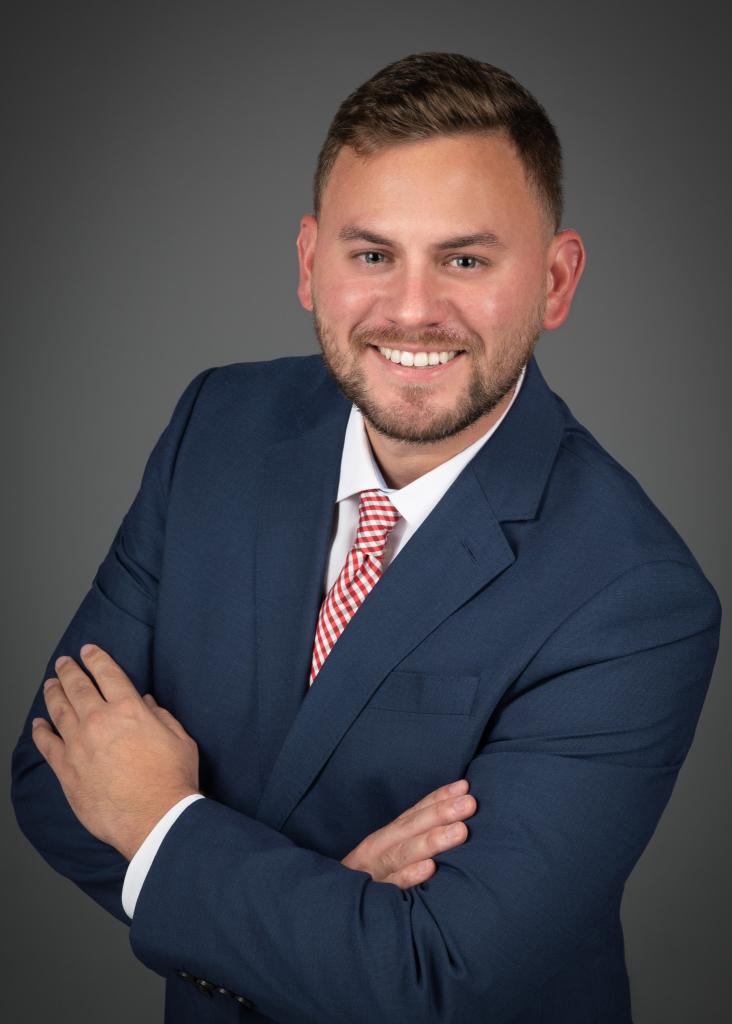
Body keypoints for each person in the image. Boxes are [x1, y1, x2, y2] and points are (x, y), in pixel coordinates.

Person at [11, 51, 721, 1024]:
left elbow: (432, 981)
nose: (414, 309)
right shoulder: (214, 427)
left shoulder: (635, 598)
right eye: (372, 253)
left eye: (466, 259)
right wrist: (335, 922)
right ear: (310, 265)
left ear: (556, 282)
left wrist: (162, 821)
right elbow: (52, 776)